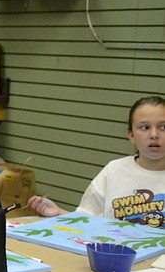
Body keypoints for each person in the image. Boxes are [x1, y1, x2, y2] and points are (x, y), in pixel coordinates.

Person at [28, 95, 165, 228]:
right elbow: (87, 219)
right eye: (145, 127)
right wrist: (58, 213)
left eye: (163, 127)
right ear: (131, 135)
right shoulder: (114, 170)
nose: (154, 135)